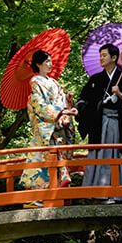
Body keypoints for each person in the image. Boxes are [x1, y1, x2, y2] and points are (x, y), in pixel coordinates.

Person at [76, 43, 122, 204]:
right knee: (100, 155)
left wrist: (120, 95)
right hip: (99, 123)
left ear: (114, 58)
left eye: (104, 55)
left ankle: (121, 194)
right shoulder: (95, 79)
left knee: (117, 156)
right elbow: (83, 99)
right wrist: (79, 109)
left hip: (117, 124)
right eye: (100, 55)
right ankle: (99, 193)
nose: (101, 58)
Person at [19, 49, 76, 196]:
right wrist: (60, 112)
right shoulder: (35, 81)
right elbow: (39, 105)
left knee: (56, 153)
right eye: (46, 62)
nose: (50, 64)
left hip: (57, 124)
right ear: (38, 64)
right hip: (46, 126)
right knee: (45, 157)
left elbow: (59, 99)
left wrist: (67, 100)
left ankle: (58, 188)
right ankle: (40, 194)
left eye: (50, 61)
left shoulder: (53, 81)